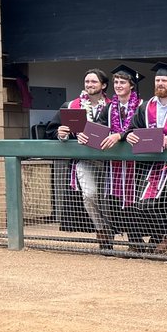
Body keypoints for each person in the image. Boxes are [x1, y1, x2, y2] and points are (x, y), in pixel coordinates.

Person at [127, 62, 167, 254]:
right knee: (141, 203)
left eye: (164, 80)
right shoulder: (144, 107)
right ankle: (157, 237)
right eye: (158, 80)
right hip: (148, 163)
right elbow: (132, 128)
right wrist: (128, 134)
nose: (160, 83)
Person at [56, 68, 113, 250]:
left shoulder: (113, 106)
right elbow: (55, 129)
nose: (89, 85)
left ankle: (111, 229)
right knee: (89, 194)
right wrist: (62, 134)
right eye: (87, 81)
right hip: (84, 159)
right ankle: (101, 228)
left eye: (94, 82)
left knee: (108, 199)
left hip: (110, 161)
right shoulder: (72, 106)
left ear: (103, 85)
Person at [97, 64, 146, 252]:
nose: (118, 85)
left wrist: (122, 135)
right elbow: (101, 127)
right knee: (116, 202)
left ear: (131, 85)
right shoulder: (109, 108)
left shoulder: (142, 106)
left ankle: (138, 239)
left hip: (137, 164)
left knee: (135, 202)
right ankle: (133, 240)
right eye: (116, 82)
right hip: (115, 164)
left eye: (122, 82)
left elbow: (143, 128)